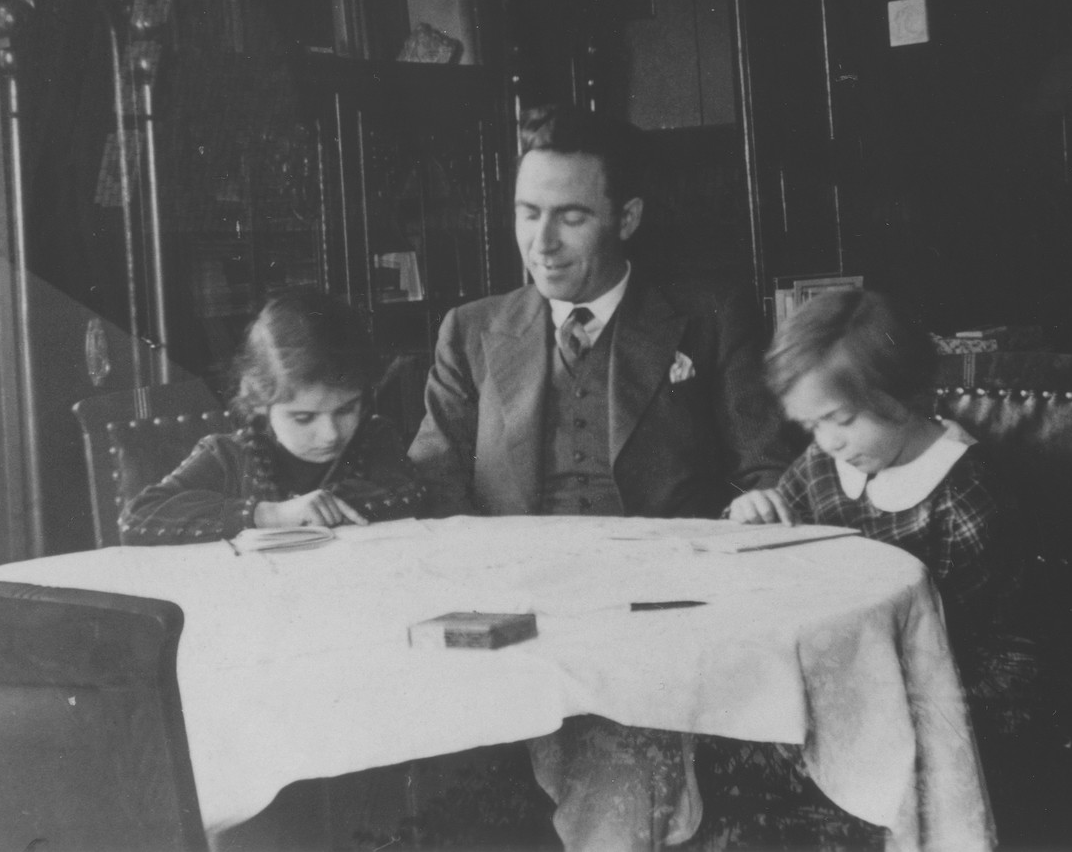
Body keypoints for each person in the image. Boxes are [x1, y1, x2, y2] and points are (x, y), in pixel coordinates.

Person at [408, 103, 792, 852]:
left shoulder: (708, 318)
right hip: (514, 611)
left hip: (661, 612)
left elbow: (766, 466)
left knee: (614, 744)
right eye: (526, 213)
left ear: (628, 217)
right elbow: (432, 481)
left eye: (571, 217)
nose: (540, 243)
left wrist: (757, 502)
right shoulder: (472, 331)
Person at [728, 287, 1037, 729]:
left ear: (900, 393)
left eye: (841, 420)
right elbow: (771, 553)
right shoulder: (824, 465)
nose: (827, 442)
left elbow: (994, 652)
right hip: (842, 673)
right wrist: (753, 519)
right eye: (811, 426)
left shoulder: (964, 497)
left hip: (943, 696)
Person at [120, 289, 424, 544]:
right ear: (259, 404)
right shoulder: (228, 455)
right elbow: (137, 518)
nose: (331, 433)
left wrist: (322, 506)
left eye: (346, 409)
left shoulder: (375, 438)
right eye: (304, 418)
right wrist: (271, 514)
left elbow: (411, 496)